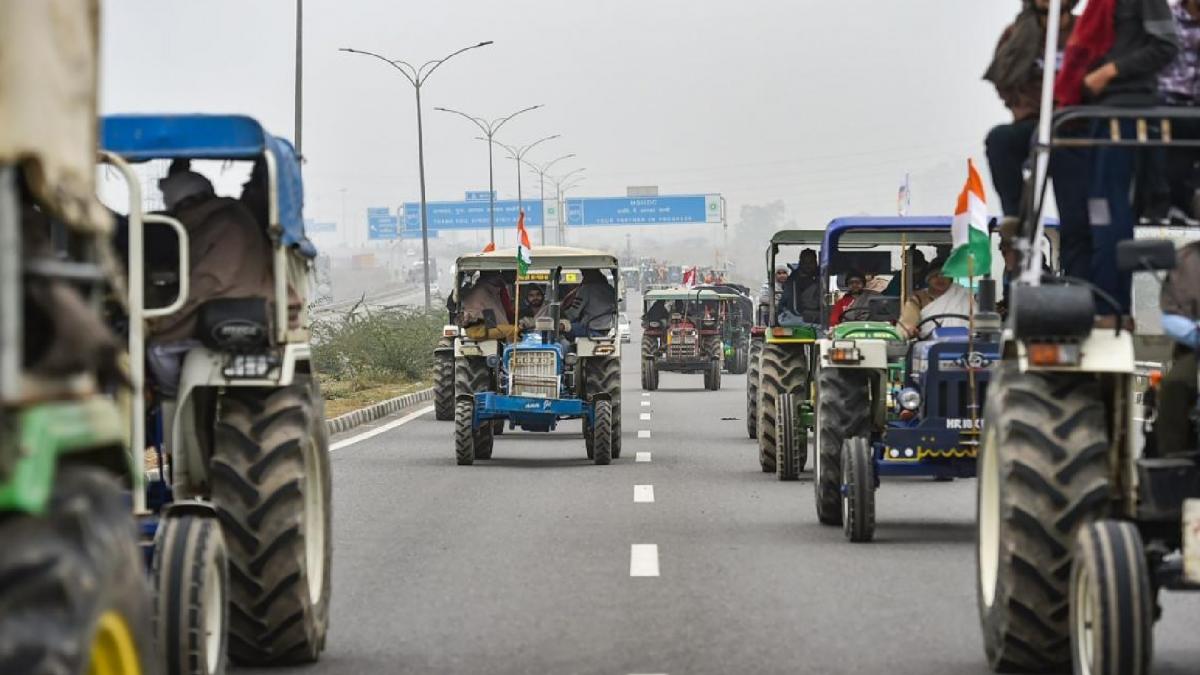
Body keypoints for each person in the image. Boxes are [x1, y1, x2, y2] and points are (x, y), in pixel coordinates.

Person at [1050, 0, 1179, 321]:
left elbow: (1166, 45)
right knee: (1093, 214)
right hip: (1098, 114)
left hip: (1128, 111)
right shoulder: (1099, 7)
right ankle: (1094, 304)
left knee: (1109, 212)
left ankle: (1110, 307)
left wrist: (1109, 71)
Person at [146, 170, 284, 395]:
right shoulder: (231, 217)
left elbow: (204, 285)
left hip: (224, 311)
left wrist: (162, 321)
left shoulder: (218, 225)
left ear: (182, 202)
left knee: (157, 347)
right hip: (254, 305)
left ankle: (172, 399)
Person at [985, 0, 1078, 217]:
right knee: (1000, 139)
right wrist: (1023, 104)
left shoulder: (1084, 29)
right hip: (1034, 122)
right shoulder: (1016, 34)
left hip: (1076, 124)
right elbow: (1003, 78)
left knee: (1073, 208)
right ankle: (1015, 216)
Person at [1155, 240, 1200, 456]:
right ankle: (1172, 460)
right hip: (1196, 350)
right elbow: (1171, 318)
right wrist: (1194, 332)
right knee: (1175, 383)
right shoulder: (1187, 259)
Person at [898, 260, 972, 339]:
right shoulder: (918, 299)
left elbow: (977, 320)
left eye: (944, 275)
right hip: (928, 343)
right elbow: (907, 320)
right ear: (928, 279)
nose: (940, 279)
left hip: (966, 341)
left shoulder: (962, 295)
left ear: (950, 279)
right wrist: (909, 329)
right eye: (935, 275)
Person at [562, 269, 616, 337]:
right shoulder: (610, 289)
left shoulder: (586, 289)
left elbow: (573, 314)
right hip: (608, 328)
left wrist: (561, 316)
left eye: (583, 275)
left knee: (563, 329)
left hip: (591, 329)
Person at [460, 272, 515, 340]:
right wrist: (512, 327)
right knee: (510, 330)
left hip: (479, 326)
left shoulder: (479, 289)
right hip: (479, 329)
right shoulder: (483, 293)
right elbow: (494, 322)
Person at [778, 248, 821, 323]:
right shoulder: (794, 280)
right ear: (800, 263)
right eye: (805, 262)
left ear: (816, 263)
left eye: (811, 262)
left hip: (810, 312)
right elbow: (795, 309)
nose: (808, 266)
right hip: (792, 316)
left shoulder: (817, 275)